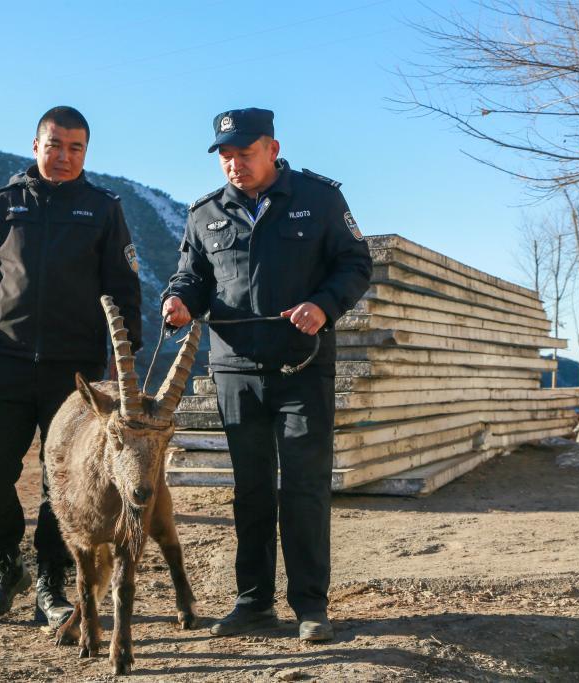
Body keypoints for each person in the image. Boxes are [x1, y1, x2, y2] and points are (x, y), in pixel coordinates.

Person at [162, 108, 371, 641]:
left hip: (303, 369)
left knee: (303, 489)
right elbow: (192, 276)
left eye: (244, 154)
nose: (234, 166)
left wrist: (323, 305)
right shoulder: (204, 215)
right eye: (226, 156)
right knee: (251, 491)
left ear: (272, 149)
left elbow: (355, 264)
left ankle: (310, 607)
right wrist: (179, 302)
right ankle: (253, 603)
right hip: (235, 373)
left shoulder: (319, 200)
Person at [0, 106, 142, 627]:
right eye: (55, 145)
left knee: (63, 485)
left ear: (86, 153)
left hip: (73, 375)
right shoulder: (3, 206)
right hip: (4, 361)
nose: (64, 156)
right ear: (35, 146)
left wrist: (126, 364)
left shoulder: (102, 210)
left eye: (75, 148)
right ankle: (6, 566)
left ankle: (52, 583)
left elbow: (123, 289)